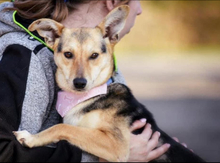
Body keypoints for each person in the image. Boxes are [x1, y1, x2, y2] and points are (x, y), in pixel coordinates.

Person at [0, 0, 172, 162]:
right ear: (113, 2)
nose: (140, 10)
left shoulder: (102, 54)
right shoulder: (24, 57)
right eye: (136, 0)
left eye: (93, 56)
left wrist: (165, 148)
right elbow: (4, 152)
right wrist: (97, 157)